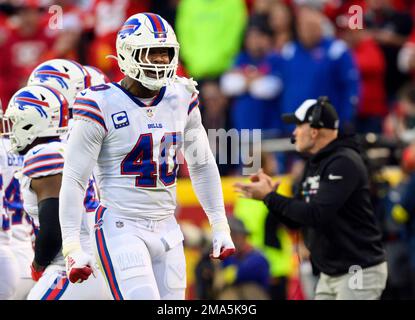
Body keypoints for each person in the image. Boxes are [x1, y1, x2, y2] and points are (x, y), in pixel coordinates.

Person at [58, 13, 235, 300]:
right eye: (152, 53)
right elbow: (75, 179)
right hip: (121, 225)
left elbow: (202, 164)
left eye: (166, 53)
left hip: (168, 227)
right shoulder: (99, 103)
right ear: (128, 54)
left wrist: (219, 225)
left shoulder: (181, 95)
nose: (162, 61)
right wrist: (72, 246)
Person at [235, 96, 388, 300]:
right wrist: (268, 198)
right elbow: (297, 220)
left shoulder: (343, 162)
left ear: (314, 131)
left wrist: (271, 197)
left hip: (356, 269)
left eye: (299, 126)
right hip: (331, 271)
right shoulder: (314, 164)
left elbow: (317, 214)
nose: (294, 132)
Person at [3, 84, 110, 300]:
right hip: (96, 264)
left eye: (16, 121)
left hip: (71, 268)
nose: (12, 129)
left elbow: (54, 229)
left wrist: (37, 264)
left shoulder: (44, 154)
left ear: (32, 122)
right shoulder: (67, 147)